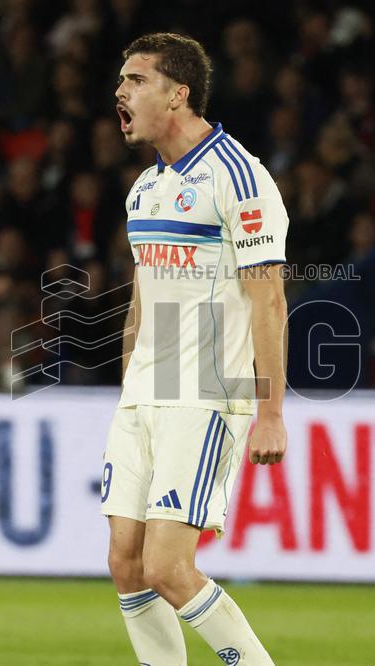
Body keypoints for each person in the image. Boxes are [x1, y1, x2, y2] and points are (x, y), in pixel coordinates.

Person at [102, 33, 287, 665]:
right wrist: (129, 389)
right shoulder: (144, 189)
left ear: (178, 94)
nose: (120, 92)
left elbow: (268, 301)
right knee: (126, 565)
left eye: (135, 80)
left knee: (168, 568)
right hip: (144, 396)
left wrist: (271, 413)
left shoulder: (239, 177)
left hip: (205, 393)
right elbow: (141, 302)